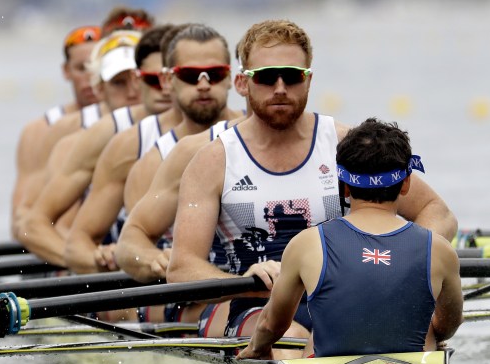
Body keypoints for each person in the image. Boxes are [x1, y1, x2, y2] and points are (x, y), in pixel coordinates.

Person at [167, 19, 458, 340]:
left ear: (308, 81)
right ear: (241, 83)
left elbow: (437, 212)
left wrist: (399, 261)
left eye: (292, 77)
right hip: (249, 302)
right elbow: (181, 269)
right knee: (290, 336)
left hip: (337, 296)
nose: (280, 88)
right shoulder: (213, 160)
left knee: (422, 332)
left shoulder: (344, 144)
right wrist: (242, 279)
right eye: (265, 77)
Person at [238, 119, 463, 360]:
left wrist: (257, 349)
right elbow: (450, 322)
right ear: (406, 184)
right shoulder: (439, 250)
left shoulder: (306, 244)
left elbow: (271, 326)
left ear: (344, 186)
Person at [65, 23, 243, 274]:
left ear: (231, 79)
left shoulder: (261, 134)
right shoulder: (138, 151)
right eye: (190, 75)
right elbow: (86, 244)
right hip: (175, 290)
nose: (203, 85)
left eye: (214, 74)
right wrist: (142, 259)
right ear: (168, 80)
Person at [16, 25, 173, 265]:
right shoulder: (73, 138)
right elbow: (30, 226)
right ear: (99, 87)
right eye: (118, 83)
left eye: (137, 79)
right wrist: (91, 262)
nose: (132, 91)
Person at [10, 24, 99, 237]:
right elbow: (19, 223)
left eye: (97, 67)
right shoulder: (39, 131)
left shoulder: (137, 122)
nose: (91, 77)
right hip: (62, 245)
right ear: (66, 71)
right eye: (82, 68)